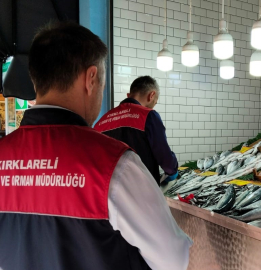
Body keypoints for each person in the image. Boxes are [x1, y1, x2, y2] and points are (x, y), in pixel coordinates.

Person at [0, 22, 192, 270]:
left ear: (36, 80)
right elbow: (173, 259)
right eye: (101, 83)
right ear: (91, 79)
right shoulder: (114, 165)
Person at [94, 76, 178, 186]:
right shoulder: (148, 115)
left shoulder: (102, 121)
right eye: (155, 102)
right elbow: (164, 157)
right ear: (151, 95)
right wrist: (172, 170)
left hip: (109, 193)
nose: (153, 105)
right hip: (141, 192)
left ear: (128, 95)